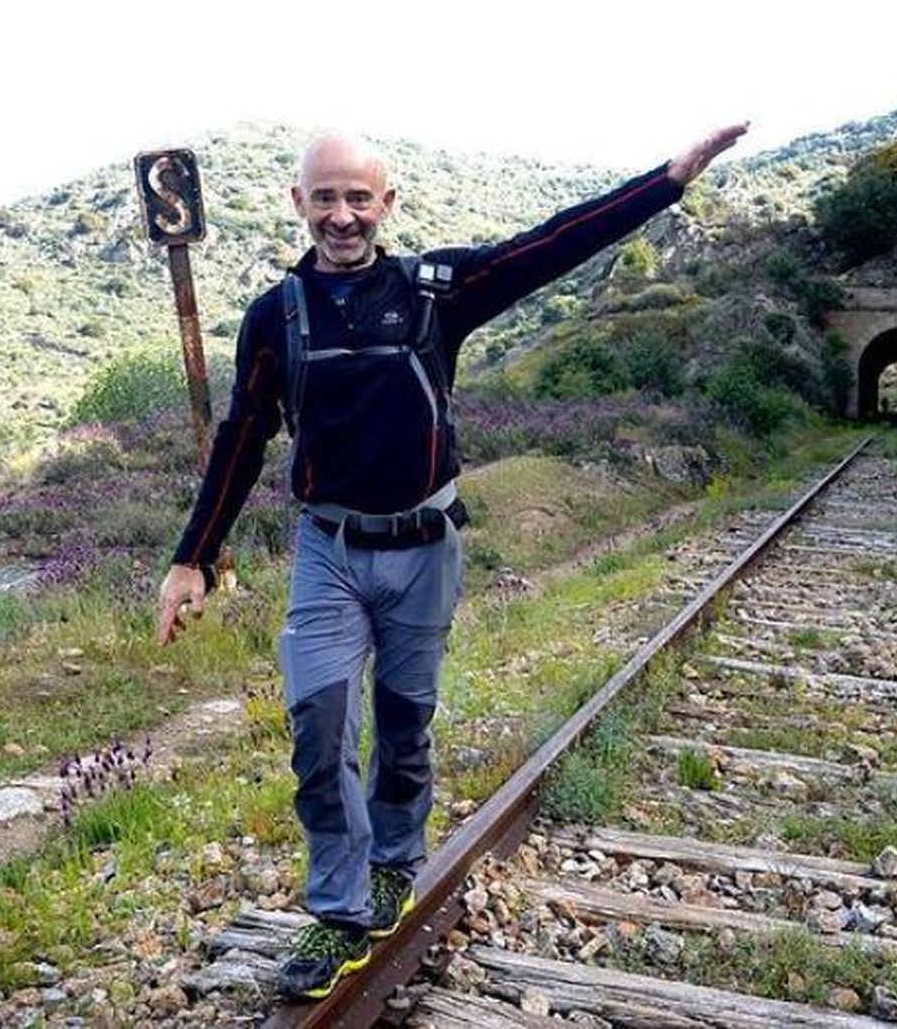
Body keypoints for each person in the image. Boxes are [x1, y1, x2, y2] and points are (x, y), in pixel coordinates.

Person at [156, 122, 746, 1000]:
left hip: (426, 550)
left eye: (360, 198)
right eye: (326, 198)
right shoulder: (275, 318)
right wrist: (192, 558)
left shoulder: (437, 291)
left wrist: (666, 182)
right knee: (318, 723)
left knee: (404, 725)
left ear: (387, 203)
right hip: (329, 553)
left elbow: (551, 245)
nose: (343, 215)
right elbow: (242, 437)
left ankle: (394, 864)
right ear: (298, 204)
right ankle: (338, 911)